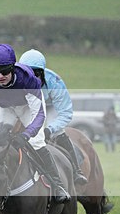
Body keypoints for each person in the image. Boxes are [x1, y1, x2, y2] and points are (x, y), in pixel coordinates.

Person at [0, 43, 70, 205]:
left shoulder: (28, 79)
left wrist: (26, 135)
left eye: (5, 71)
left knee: (36, 141)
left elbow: (39, 115)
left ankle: (58, 185)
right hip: (5, 108)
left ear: (13, 68)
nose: (0, 76)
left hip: (28, 107)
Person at [18, 49, 88, 185]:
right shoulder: (14, 81)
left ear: (42, 73)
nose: (32, 78)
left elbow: (65, 113)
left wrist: (49, 129)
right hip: (26, 108)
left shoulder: (54, 82)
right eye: (28, 74)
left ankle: (76, 170)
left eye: (36, 74)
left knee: (57, 131)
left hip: (49, 108)